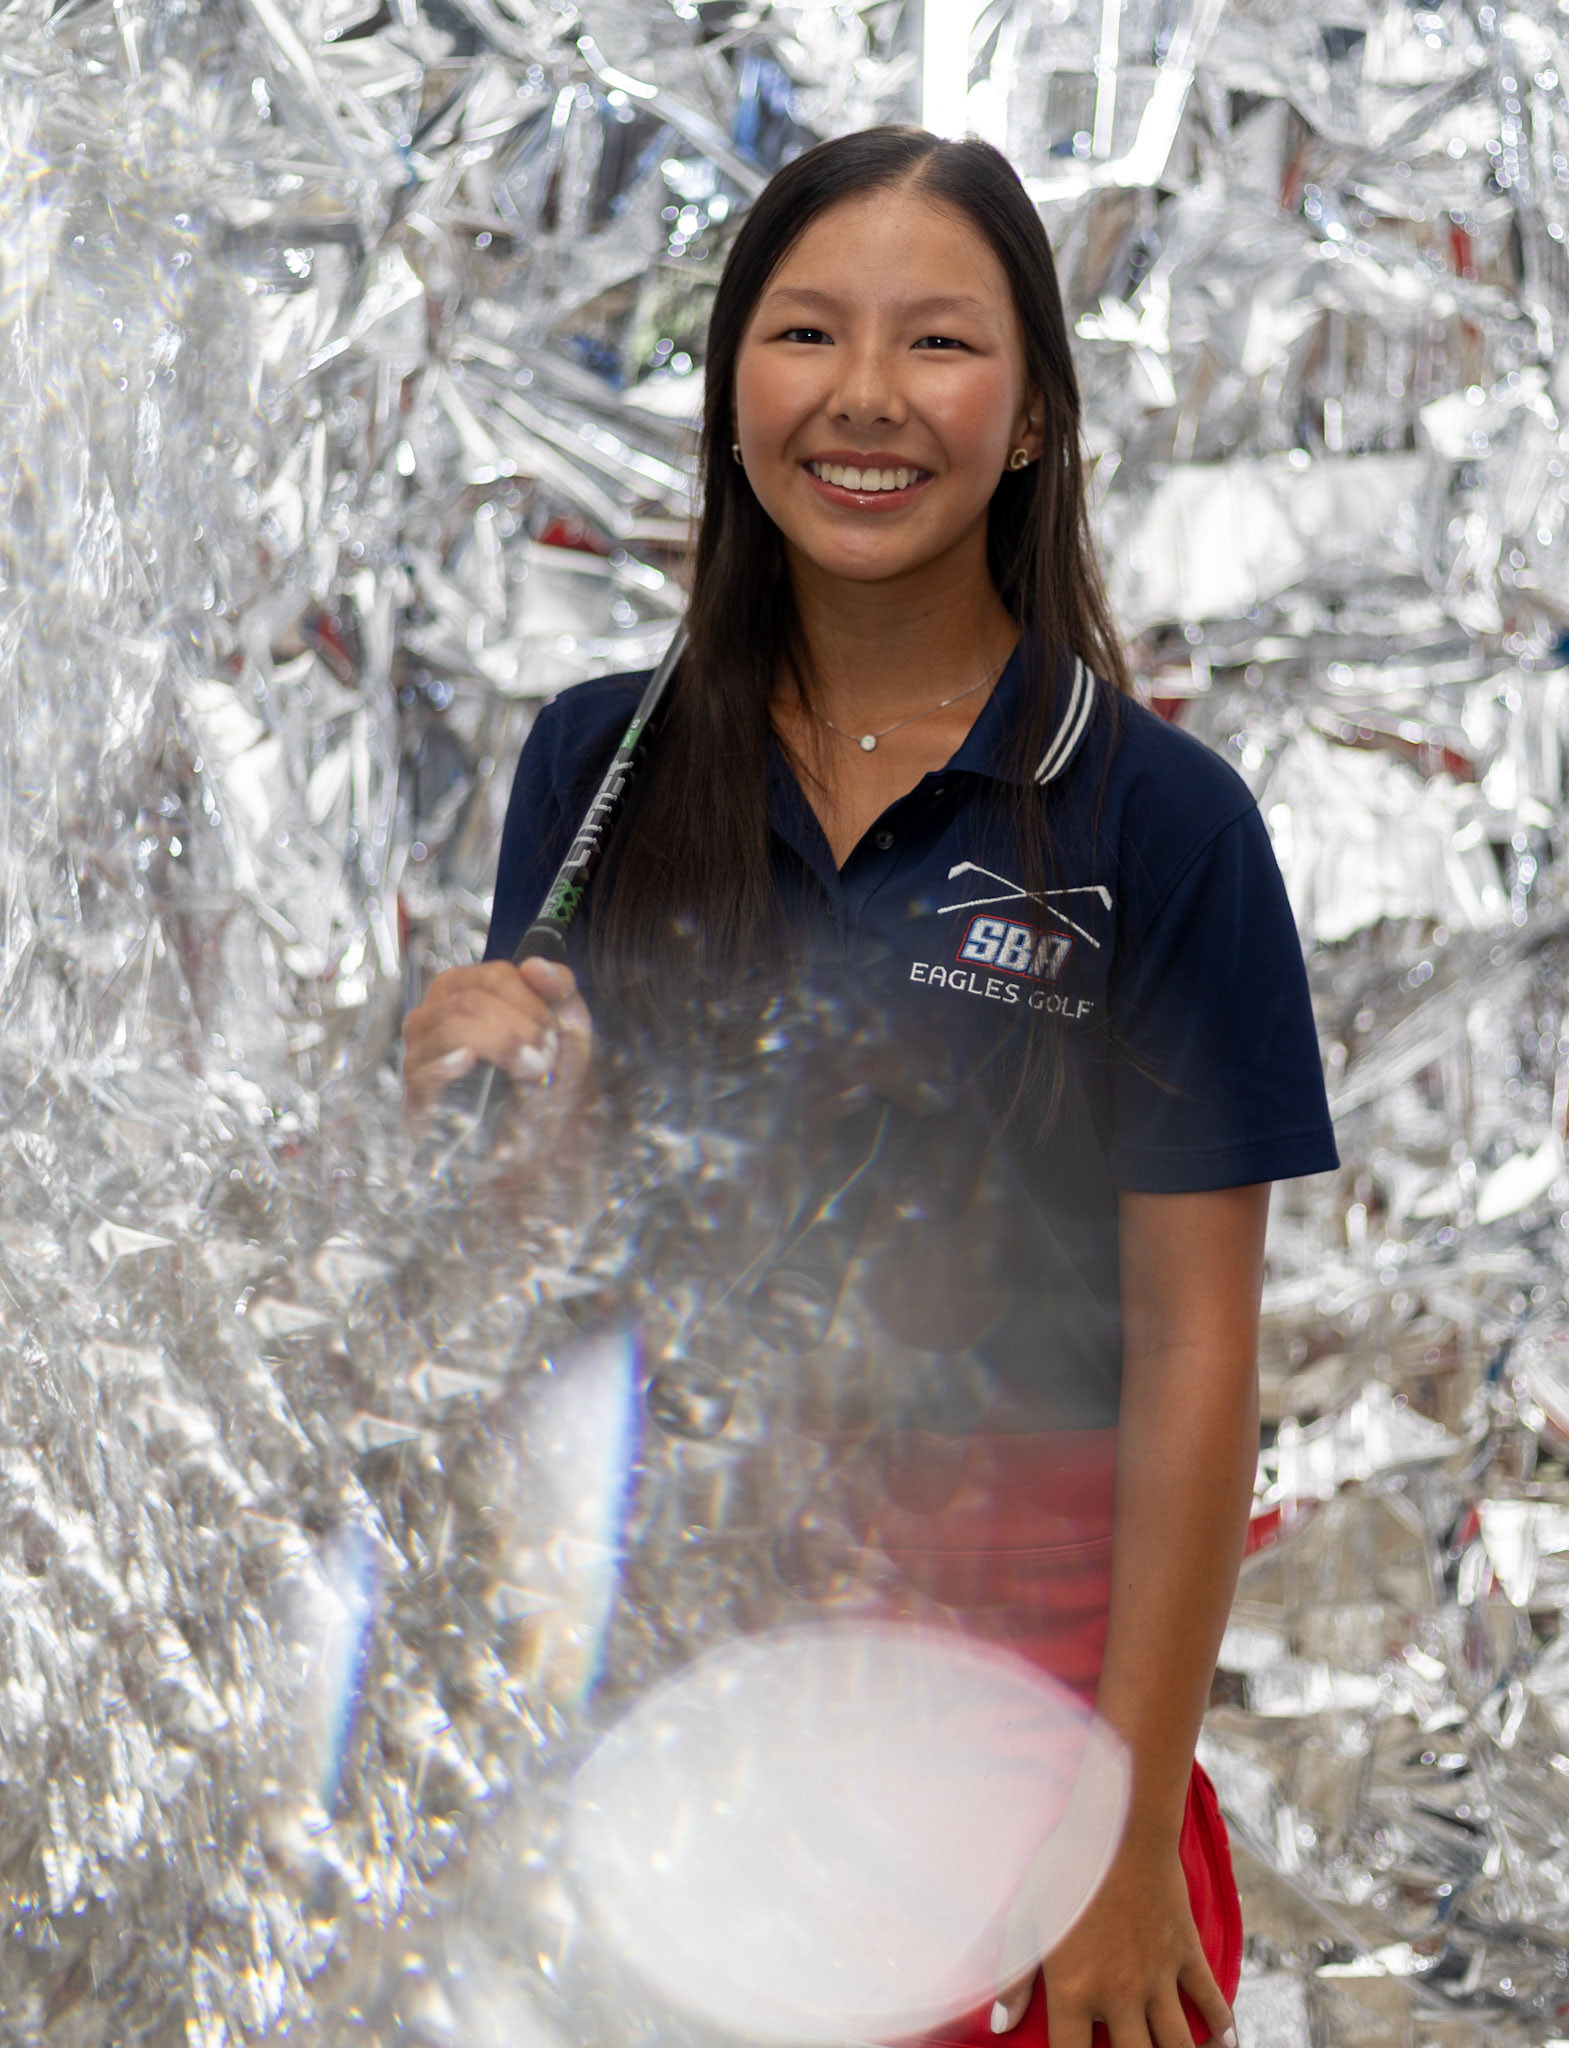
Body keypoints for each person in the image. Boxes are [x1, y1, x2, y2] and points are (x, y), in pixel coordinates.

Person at [404, 126, 1337, 2048]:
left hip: (1022, 1720)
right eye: (806, 332)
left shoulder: (1160, 821)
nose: (861, 396)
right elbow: (547, 1307)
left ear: (1026, 421)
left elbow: (1192, 1361)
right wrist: (511, 1127)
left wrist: (1119, 1835)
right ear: (735, 382)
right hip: (681, 1712)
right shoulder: (594, 766)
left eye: (936, 344)